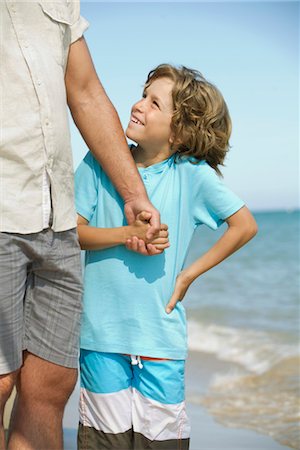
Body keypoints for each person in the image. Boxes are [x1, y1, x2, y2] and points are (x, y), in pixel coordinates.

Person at [0, 2, 161, 450]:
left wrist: (133, 194)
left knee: (50, 387)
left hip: (57, 219)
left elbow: (86, 92)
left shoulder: (60, 2)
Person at [75, 63, 258, 449]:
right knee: (103, 442)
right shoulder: (98, 162)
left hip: (160, 339)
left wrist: (187, 276)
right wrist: (128, 234)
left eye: (154, 103)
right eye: (143, 95)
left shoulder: (191, 175)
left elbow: (244, 226)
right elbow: (73, 233)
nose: (138, 106)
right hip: (101, 335)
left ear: (179, 131)